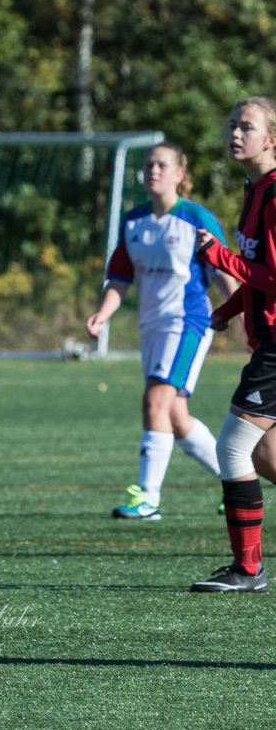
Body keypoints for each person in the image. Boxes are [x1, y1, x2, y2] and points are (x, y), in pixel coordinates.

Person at [85, 142, 234, 521]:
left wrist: (243, 318)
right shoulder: (134, 221)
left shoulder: (197, 219)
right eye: (149, 164)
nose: (154, 170)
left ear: (180, 174)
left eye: (162, 165)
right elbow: (119, 278)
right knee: (175, 415)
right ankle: (234, 483)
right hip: (151, 327)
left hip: (188, 323)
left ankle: (147, 498)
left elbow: (224, 273)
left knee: (154, 402)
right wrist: (102, 315)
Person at [191, 95, 276, 592]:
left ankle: (248, 569)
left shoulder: (274, 195)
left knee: (232, 448)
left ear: (272, 140)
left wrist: (221, 257)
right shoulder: (255, 191)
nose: (235, 133)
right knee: (266, 457)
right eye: (232, 125)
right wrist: (226, 311)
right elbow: (261, 276)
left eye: (247, 126)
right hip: (267, 339)